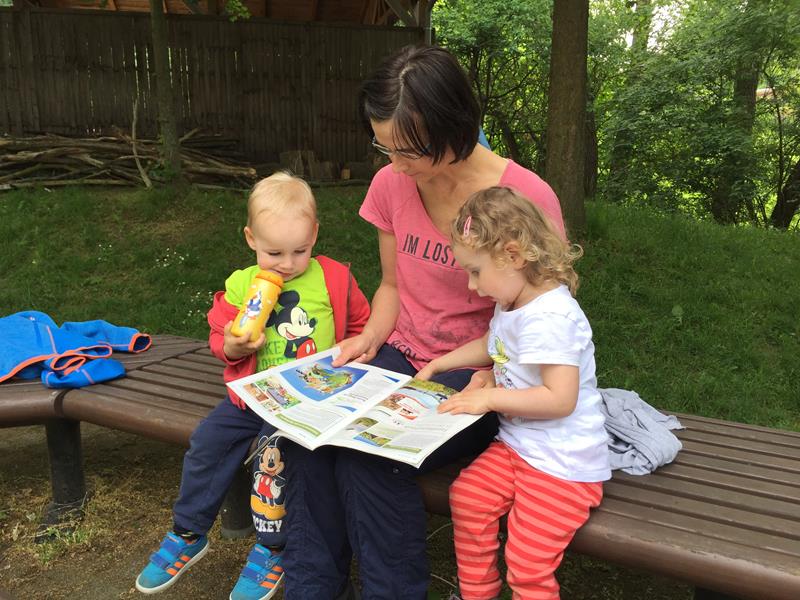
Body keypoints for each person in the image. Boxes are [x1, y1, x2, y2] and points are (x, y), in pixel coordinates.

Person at [278, 45, 566, 600]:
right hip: (402, 353)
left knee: (372, 454)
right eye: (383, 147)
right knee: (307, 437)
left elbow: (548, 312)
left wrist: (501, 371)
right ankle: (312, 588)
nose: (395, 164)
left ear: (453, 127)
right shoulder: (391, 184)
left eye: (408, 150)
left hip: (478, 370)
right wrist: (368, 338)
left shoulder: (525, 197)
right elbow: (392, 286)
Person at [134, 172, 370, 599]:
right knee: (208, 441)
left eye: (299, 251)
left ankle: (273, 547)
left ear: (315, 235)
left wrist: (352, 354)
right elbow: (219, 338)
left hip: (306, 402)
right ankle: (188, 531)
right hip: (252, 397)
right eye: (273, 252)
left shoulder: (333, 278)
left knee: (271, 456)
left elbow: (360, 326)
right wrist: (234, 345)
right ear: (251, 239)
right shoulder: (242, 285)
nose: (287, 263)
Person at [417, 187, 611, 599]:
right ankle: (477, 593)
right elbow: (494, 344)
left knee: (527, 563)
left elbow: (560, 399)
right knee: (468, 497)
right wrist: (441, 364)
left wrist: (489, 398)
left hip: (562, 464)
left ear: (513, 255)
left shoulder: (551, 317)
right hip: (519, 447)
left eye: (475, 271)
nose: (472, 286)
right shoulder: (513, 303)